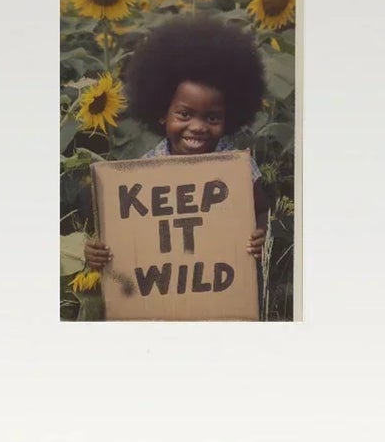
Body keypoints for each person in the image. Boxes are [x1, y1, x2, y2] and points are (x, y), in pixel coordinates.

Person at [83, 14, 269, 273]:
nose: (198, 127)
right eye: (184, 114)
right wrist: (98, 253)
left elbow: (262, 211)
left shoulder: (238, 167)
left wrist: (262, 233)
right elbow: (123, 234)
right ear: (162, 112)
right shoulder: (146, 169)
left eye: (212, 117)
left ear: (230, 118)